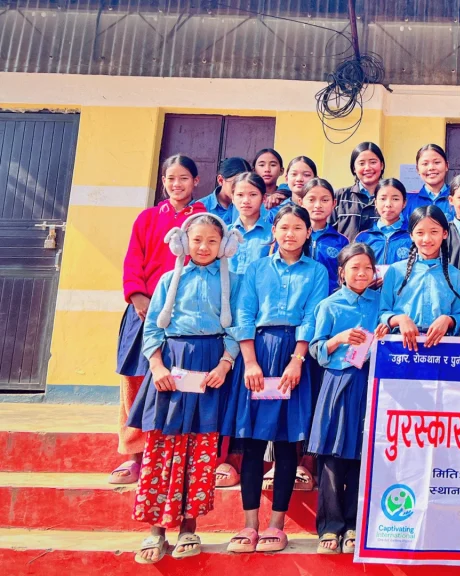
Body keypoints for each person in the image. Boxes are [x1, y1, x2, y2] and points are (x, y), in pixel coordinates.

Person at [127, 213, 241, 564]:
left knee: (201, 450)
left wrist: (225, 363)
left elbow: (239, 325)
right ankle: (155, 530)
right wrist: (157, 365)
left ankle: (189, 528)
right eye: (197, 240)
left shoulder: (233, 282)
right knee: (162, 447)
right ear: (183, 243)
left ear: (223, 245)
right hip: (171, 366)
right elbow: (152, 329)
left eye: (211, 241)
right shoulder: (167, 279)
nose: (204, 247)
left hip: (210, 368)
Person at [225, 205, 329, 554]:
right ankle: (250, 523)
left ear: (308, 232)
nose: (289, 234)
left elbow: (312, 316)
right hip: (258, 351)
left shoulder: (316, 271)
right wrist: (251, 362)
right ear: (274, 231)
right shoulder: (255, 269)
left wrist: (298, 360)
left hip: (294, 357)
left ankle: (276, 524)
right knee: (253, 443)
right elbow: (244, 313)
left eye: (297, 227)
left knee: (287, 444)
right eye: (283, 227)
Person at [112, 154, 206, 486]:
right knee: (135, 378)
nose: (176, 184)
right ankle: (133, 454)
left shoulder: (203, 219)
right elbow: (132, 259)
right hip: (142, 309)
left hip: (185, 317)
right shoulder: (148, 218)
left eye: (183, 178)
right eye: (170, 178)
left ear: (196, 181)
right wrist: (138, 296)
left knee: (176, 380)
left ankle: (165, 453)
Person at [308, 243, 385, 555]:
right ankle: (330, 525)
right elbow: (315, 349)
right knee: (331, 456)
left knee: (360, 454)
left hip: (370, 382)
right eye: (354, 268)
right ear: (341, 273)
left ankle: (354, 524)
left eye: (367, 267)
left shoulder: (381, 303)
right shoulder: (329, 305)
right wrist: (337, 339)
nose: (361, 273)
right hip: (338, 382)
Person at [379, 205, 460, 352]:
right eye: (420, 232)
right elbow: (382, 312)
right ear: (411, 235)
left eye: (434, 232)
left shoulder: (455, 275)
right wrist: (401, 319)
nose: (427, 239)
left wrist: (448, 320)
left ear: (445, 233)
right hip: (401, 347)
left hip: (441, 347)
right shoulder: (395, 271)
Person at [301, 178, 350, 294]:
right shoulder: (294, 236)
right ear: (301, 202)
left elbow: (345, 278)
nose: (318, 205)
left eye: (324, 200)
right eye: (311, 200)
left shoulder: (341, 241)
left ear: (334, 203)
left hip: (328, 301)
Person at [333, 142, 384, 242]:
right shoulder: (340, 196)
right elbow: (328, 231)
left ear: (381, 165)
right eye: (361, 163)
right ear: (354, 168)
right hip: (346, 256)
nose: (368, 168)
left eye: (373, 162)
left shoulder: (390, 198)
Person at [355, 178, 414, 266]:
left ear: (404, 203)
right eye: (383, 199)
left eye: (395, 199)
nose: (388, 204)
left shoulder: (412, 236)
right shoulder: (363, 238)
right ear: (375, 202)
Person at [228, 172, 273, 275]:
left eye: (253, 195)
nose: (246, 201)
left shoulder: (272, 234)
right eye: (240, 195)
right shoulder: (225, 233)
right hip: (227, 290)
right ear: (233, 198)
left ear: (264, 198)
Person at [405, 144, 453, 221]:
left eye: (437, 162)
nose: (431, 168)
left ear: (446, 165)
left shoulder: (457, 198)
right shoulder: (407, 201)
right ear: (417, 169)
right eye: (425, 164)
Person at [195, 157, 250, 223]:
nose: (242, 188)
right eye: (236, 182)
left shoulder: (251, 204)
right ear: (220, 180)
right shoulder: (201, 206)